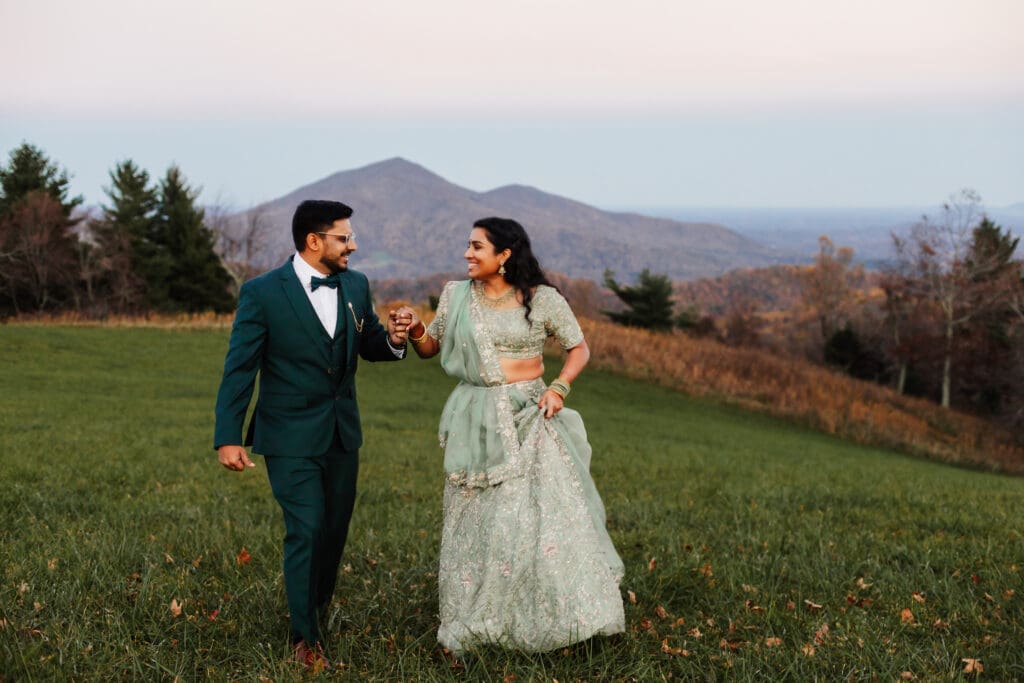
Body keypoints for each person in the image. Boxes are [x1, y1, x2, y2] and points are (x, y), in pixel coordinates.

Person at [400, 217, 625, 654]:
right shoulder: (456, 295)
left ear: (504, 255)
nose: (467, 253)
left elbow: (579, 349)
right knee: (476, 521)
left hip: (530, 416)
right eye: (468, 245)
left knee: (533, 520)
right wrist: (414, 330)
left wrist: (559, 388)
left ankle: (554, 615)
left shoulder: (542, 299)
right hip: (475, 419)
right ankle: (477, 617)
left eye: (477, 247)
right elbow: (431, 347)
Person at [213, 200, 410, 670]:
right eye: (344, 237)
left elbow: (369, 342)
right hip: (288, 436)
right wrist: (228, 436)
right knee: (306, 529)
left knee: (333, 534)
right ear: (314, 241)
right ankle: (305, 638)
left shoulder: (356, 285)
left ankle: (313, 612)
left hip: (342, 435)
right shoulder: (262, 293)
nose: (353, 245)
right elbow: (240, 368)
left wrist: (394, 340)